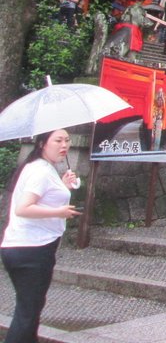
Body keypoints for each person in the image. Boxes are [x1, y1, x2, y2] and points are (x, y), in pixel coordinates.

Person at [2, 128, 81, 342]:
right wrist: (59, 212)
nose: (64, 145)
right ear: (42, 144)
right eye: (57, 140)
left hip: (23, 248)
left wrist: (62, 186)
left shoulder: (41, 168)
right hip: (32, 251)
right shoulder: (40, 171)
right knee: (27, 313)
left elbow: (43, 197)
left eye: (67, 140)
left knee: (30, 309)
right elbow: (23, 208)